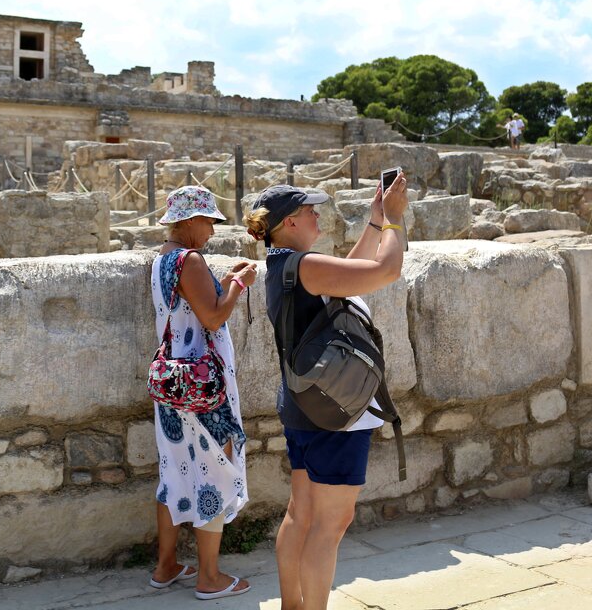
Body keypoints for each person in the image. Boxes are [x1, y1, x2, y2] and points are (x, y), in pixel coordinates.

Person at [246, 177, 408, 610]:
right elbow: (385, 272)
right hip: (335, 411)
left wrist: (373, 225)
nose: (318, 215)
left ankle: (292, 606)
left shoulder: (285, 265)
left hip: (302, 405)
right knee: (330, 524)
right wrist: (394, 222)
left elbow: (345, 283)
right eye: (310, 210)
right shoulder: (306, 265)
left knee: (300, 514)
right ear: (290, 222)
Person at [149, 185, 256, 600]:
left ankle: (166, 566)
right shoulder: (189, 259)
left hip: (170, 381)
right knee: (216, 468)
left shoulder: (162, 260)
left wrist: (223, 282)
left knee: (173, 471)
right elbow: (212, 316)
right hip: (201, 388)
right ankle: (209, 578)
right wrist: (240, 284)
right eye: (209, 221)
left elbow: (192, 306)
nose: (212, 229)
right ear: (190, 220)